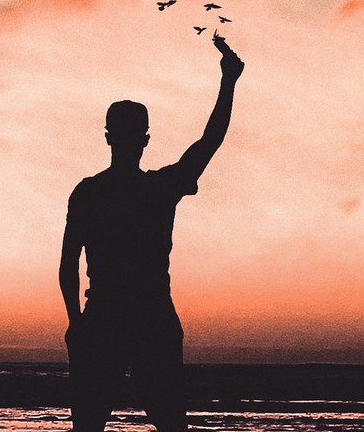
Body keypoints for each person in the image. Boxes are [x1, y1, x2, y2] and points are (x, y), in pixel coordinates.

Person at [59, 34, 245, 432]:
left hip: (106, 317)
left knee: (89, 425)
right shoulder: (157, 189)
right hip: (150, 318)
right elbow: (209, 141)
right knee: (169, 423)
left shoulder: (89, 192)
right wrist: (228, 82)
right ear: (145, 138)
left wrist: (76, 323)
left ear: (108, 136)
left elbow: (67, 266)